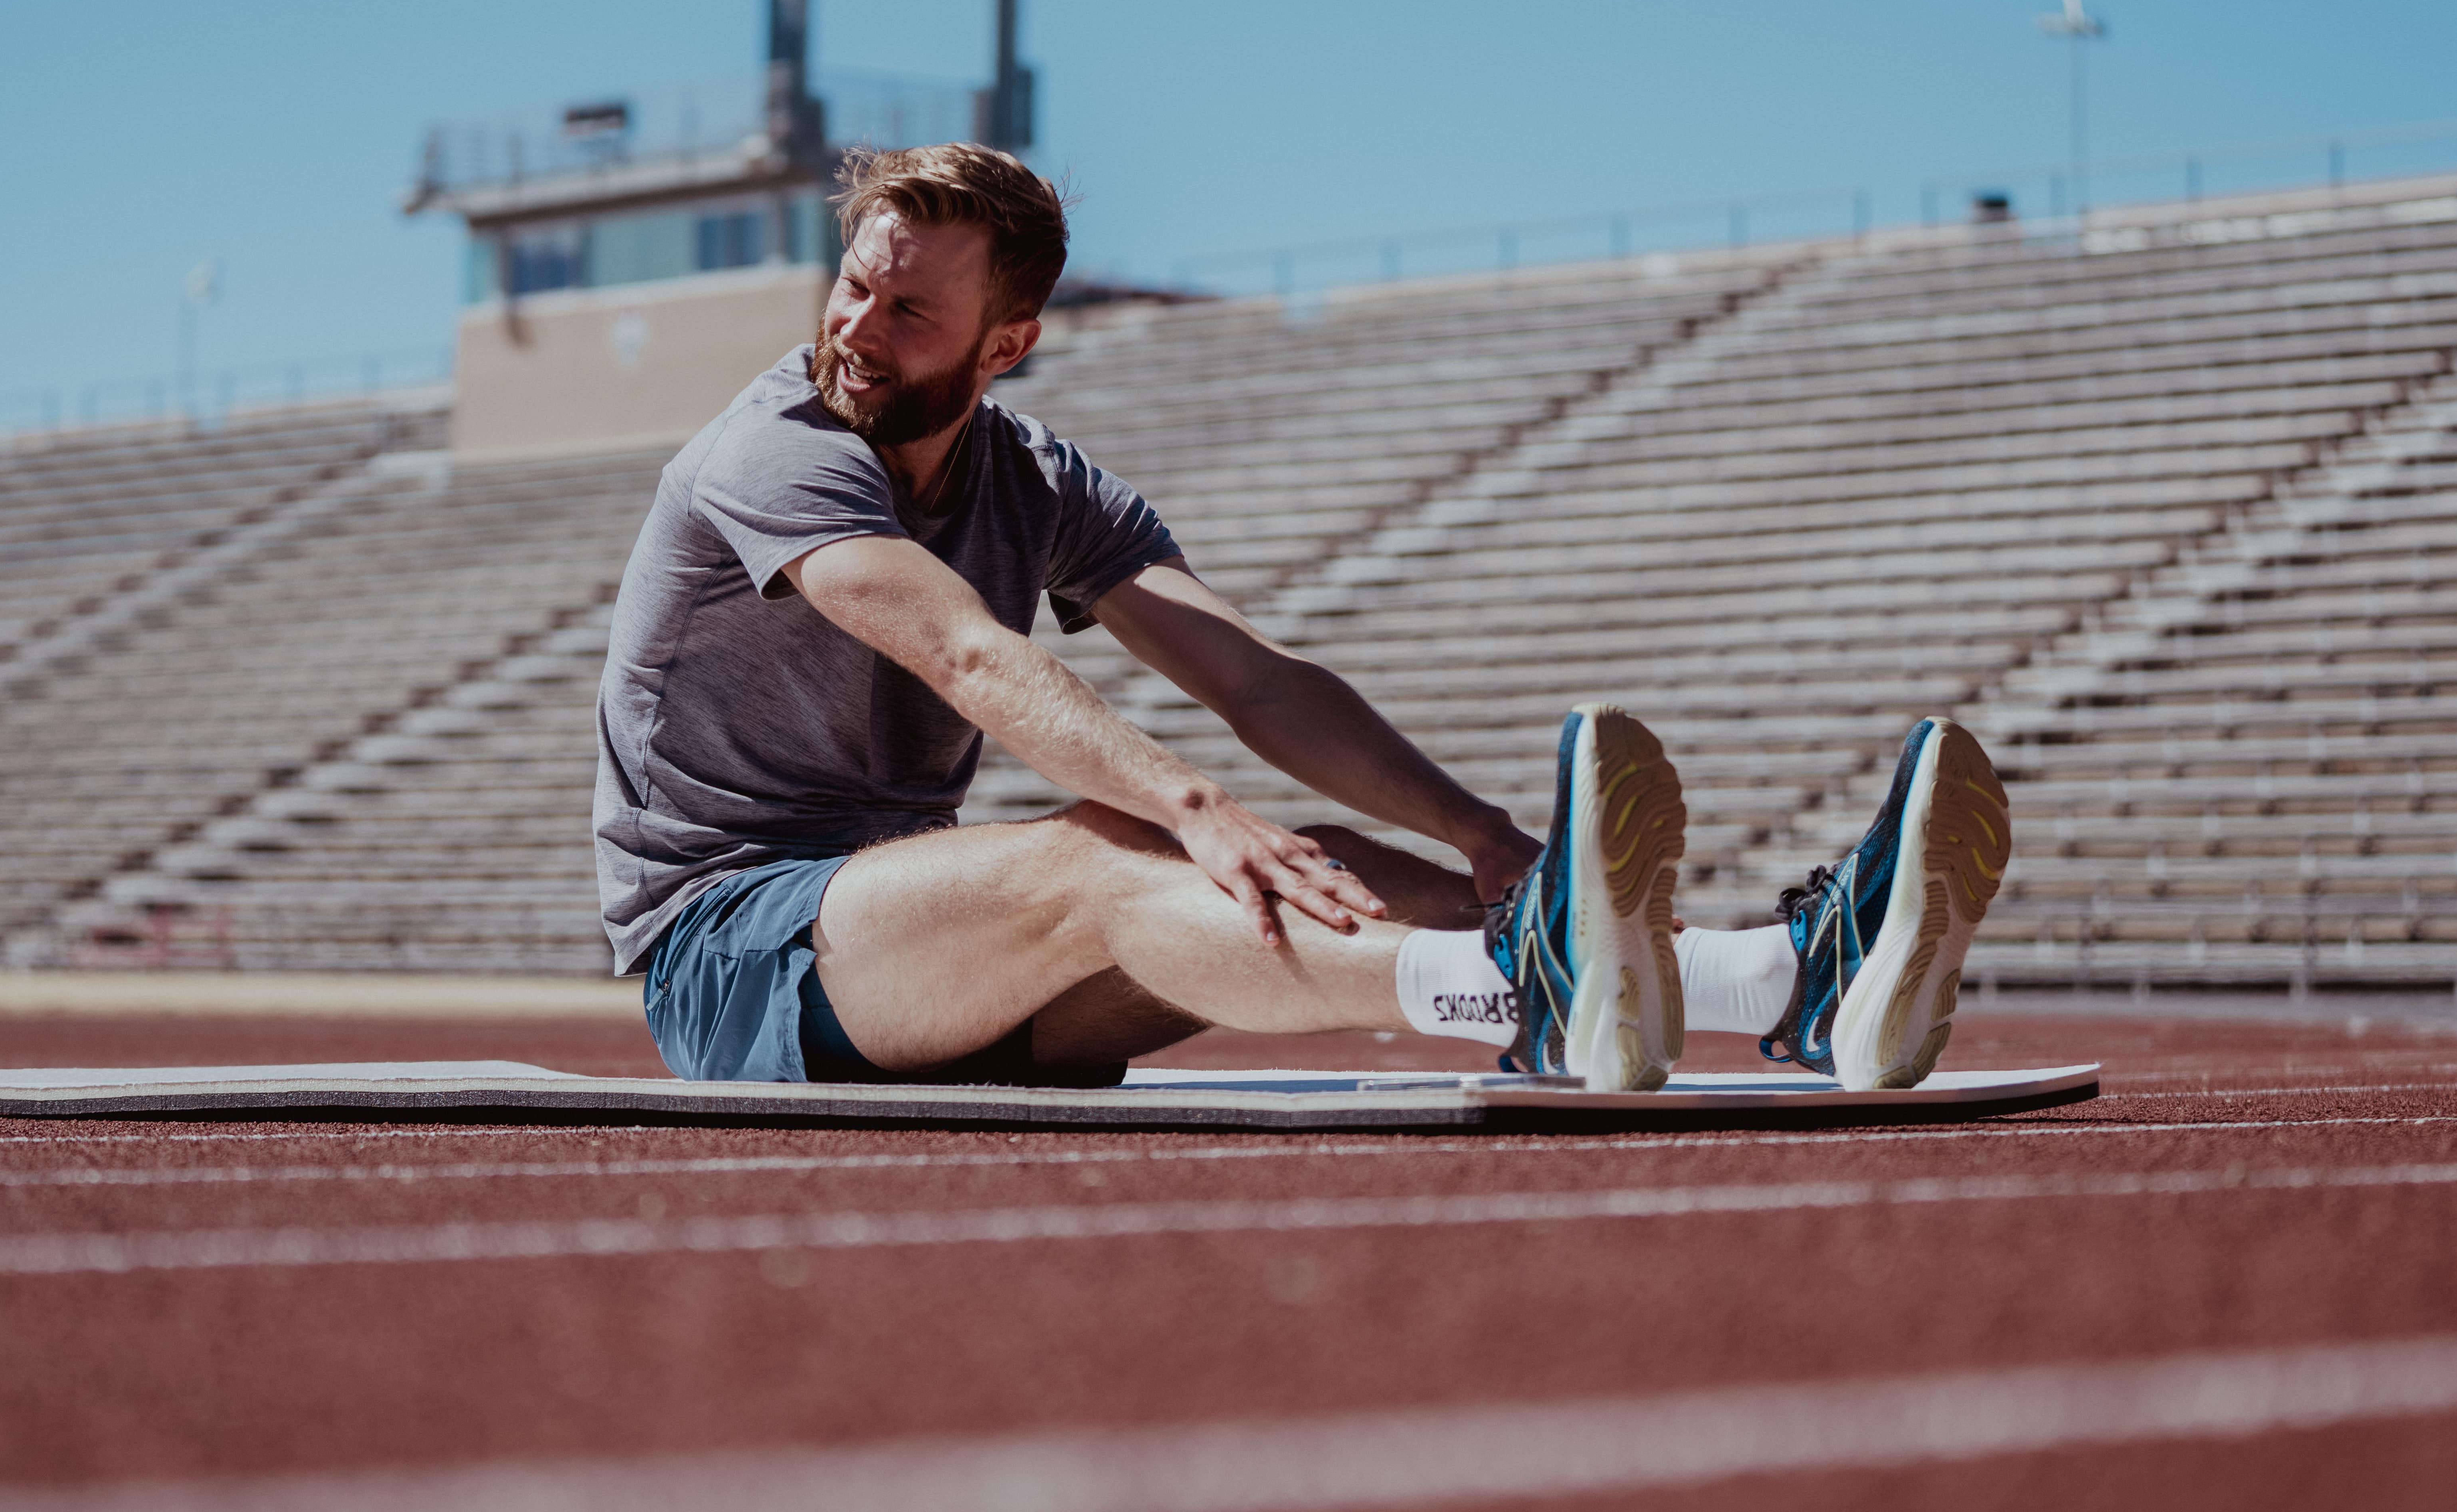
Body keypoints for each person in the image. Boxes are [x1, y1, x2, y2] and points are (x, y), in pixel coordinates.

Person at [593, 143, 2012, 1095]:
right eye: (855, 284)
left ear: (1004, 344)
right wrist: (1196, 808)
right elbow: (966, 650)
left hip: (917, 956)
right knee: (1116, 854)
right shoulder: (774, 449)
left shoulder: (1035, 480)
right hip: (732, 951)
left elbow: (1261, 682)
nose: (856, 327)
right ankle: (1527, 997)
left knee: (1318, 862)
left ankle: (1784, 978)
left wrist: (1486, 839)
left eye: (908, 309)